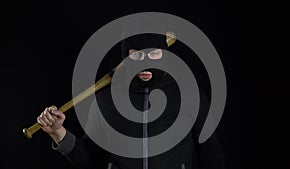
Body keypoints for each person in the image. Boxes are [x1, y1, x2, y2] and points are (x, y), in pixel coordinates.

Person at [37, 19, 225, 169]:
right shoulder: (105, 100)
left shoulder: (191, 96)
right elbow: (89, 160)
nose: (145, 62)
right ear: (126, 56)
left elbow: (212, 157)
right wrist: (58, 133)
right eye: (137, 54)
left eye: (153, 54)